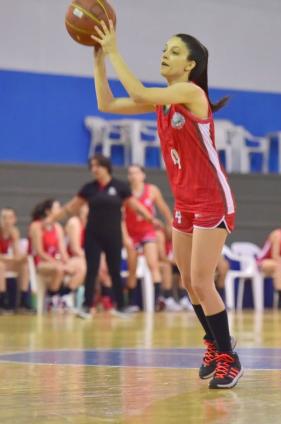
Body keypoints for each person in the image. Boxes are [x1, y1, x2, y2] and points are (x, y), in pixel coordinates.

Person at [91, 23, 242, 389]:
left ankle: (229, 358)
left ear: (190, 65)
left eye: (174, 51)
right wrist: (98, 59)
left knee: (204, 281)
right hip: (185, 202)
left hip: (211, 200)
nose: (165, 54)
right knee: (189, 281)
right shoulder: (164, 102)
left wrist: (114, 50)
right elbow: (107, 103)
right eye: (165, 48)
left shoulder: (190, 92)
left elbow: (138, 89)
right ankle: (214, 344)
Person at [52, 155, 159, 319]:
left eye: (98, 166)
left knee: (115, 270)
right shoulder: (89, 188)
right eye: (92, 167)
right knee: (92, 269)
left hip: (113, 235)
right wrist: (53, 218)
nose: (95, 170)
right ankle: (87, 306)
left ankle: (121, 306)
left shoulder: (120, 187)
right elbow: (71, 207)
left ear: (106, 167)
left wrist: (151, 219)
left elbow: (135, 206)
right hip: (93, 235)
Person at [124, 164, 173, 311]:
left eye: (136, 173)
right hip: (132, 235)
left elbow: (164, 208)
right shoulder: (125, 193)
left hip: (147, 232)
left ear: (143, 175)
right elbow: (121, 216)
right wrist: (125, 236)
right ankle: (132, 303)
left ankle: (156, 300)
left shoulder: (152, 190)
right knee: (132, 269)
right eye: (130, 173)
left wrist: (170, 224)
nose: (133, 176)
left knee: (153, 264)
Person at [29, 199, 85, 310]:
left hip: (56, 261)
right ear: (48, 211)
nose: (60, 210)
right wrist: (58, 263)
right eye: (57, 208)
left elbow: (62, 251)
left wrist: (67, 262)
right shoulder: (36, 226)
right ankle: (51, 299)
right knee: (59, 268)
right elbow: (40, 252)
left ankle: (64, 295)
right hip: (41, 263)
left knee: (82, 267)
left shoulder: (58, 227)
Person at [0, 207, 30, 312]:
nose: (7, 221)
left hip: (6, 261)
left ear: (14, 219)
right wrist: (13, 259)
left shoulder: (14, 232)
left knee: (24, 266)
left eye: (10, 218)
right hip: (2, 264)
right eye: (4, 218)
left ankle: (23, 302)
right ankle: (2, 302)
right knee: (1, 266)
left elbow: (17, 255)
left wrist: (22, 257)